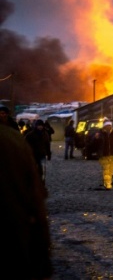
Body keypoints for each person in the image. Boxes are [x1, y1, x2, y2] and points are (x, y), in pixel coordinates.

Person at [0, 125, 53, 279]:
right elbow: (35, 200)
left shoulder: (12, 139)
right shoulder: (12, 139)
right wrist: (42, 258)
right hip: (12, 237)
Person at [94, 120, 113, 190]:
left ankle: (107, 182)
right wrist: (96, 139)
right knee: (106, 169)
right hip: (104, 155)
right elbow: (95, 144)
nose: (108, 127)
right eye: (107, 126)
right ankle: (108, 184)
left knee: (111, 170)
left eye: (109, 125)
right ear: (105, 126)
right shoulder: (100, 134)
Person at [24, 119, 51, 185]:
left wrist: (49, 153)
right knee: (33, 169)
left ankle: (42, 182)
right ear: (36, 126)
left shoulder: (45, 134)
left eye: (41, 125)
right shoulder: (30, 135)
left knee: (43, 170)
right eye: (39, 125)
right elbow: (25, 144)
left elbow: (47, 144)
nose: (40, 127)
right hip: (33, 155)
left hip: (42, 154)